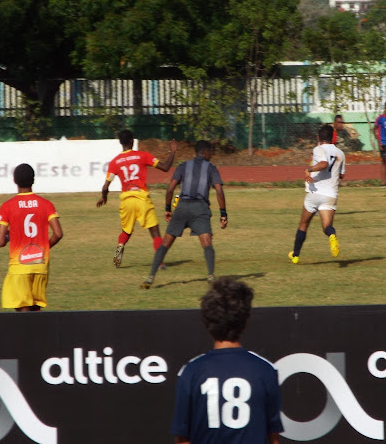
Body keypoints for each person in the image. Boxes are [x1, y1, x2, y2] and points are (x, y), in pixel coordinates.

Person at [171, 277, 283, 444]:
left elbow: (182, 438)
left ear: (207, 322)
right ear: (245, 321)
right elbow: (273, 437)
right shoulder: (265, 370)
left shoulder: (191, 371)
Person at [142, 140, 227, 289]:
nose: (211, 154)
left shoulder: (182, 166)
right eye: (211, 152)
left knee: (165, 244)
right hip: (200, 208)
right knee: (206, 242)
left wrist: (168, 209)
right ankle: (211, 276)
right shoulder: (211, 168)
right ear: (206, 152)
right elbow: (219, 191)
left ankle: (150, 277)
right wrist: (223, 213)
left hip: (182, 208)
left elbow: (170, 190)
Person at [96, 130, 177, 267]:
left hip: (126, 200)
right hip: (141, 198)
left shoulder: (115, 162)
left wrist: (104, 198)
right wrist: (173, 151)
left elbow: (105, 187)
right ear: (132, 141)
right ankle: (160, 262)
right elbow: (165, 167)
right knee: (155, 231)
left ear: (121, 143)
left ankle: (120, 245)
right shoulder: (142, 156)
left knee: (126, 230)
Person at [0, 163, 63, 311]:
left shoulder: (7, 206)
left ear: (14, 181)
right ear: (33, 180)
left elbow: (0, 242)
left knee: (23, 312)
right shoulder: (46, 204)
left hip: (20, 267)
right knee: (34, 307)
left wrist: (8, 236)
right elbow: (58, 234)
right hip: (40, 265)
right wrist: (42, 248)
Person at [288, 125, 345, 264]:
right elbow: (341, 175)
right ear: (332, 137)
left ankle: (295, 255)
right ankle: (332, 235)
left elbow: (324, 163)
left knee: (303, 224)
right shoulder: (340, 153)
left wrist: (309, 169)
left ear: (319, 138)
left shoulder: (318, 149)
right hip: (330, 195)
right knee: (326, 226)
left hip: (315, 193)